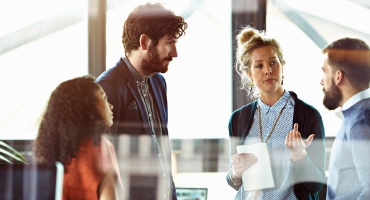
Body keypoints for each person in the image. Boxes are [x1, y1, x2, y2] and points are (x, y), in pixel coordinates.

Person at [95, 3, 188, 200]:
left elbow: (162, 150)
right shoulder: (107, 87)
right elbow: (101, 165)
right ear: (144, 42)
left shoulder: (159, 82)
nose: (174, 53)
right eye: (168, 43)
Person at [226, 26, 326, 200]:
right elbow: (234, 180)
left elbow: (316, 184)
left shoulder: (308, 116)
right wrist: (235, 172)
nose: (268, 70)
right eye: (259, 65)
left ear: (282, 65)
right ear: (249, 74)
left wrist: (299, 155)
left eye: (273, 62)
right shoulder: (238, 119)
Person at [34, 75, 124, 200]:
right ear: (88, 107)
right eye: (104, 97)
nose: (111, 106)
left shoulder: (52, 149)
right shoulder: (100, 146)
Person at [320, 37, 370, 199]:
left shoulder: (359, 122)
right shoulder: (356, 115)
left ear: (338, 76)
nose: (321, 81)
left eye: (325, 72)